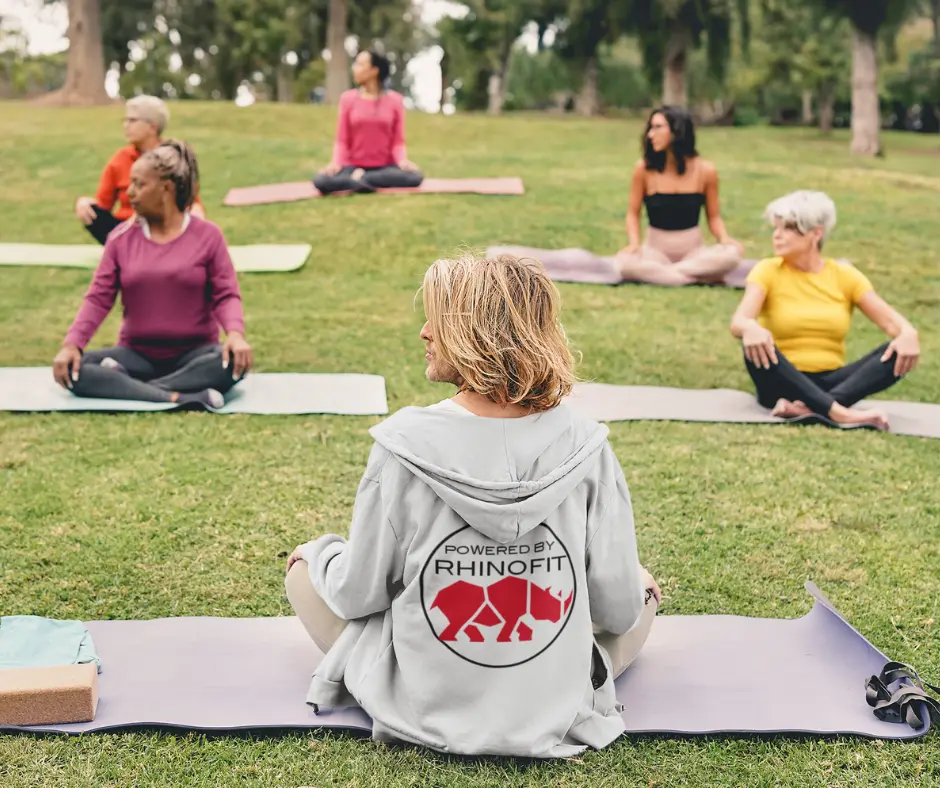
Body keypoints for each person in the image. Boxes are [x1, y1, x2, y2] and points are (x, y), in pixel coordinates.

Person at [284, 253, 662, 757]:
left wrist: (322, 554)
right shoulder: (587, 444)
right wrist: (635, 585)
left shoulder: (401, 445)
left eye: (437, 319)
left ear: (475, 333)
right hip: (552, 704)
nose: (423, 332)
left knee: (302, 569)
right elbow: (617, 612)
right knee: (641, 589)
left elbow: (357, 596)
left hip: (424, 703)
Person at [53, 140, 252, 408]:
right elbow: (98, 298)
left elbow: (226, 294)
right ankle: (184, 396)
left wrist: (236, 335)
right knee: (78, 370)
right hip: (135, 355)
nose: (130, 193)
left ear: (165, 189)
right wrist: (72, 345)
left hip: (196, 355)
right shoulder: (120, 239)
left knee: (228, 363)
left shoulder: (208, 236)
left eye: (139, 184)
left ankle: (131, 388)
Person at [730, 191, 920, 430]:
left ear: (816, 233)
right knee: (754, 343)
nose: (777, 236)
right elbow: (739, 320)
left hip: (830, 382)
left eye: (788, 228)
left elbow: (893, 324)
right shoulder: (767, 270)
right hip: (780, 379)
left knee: (894, 351)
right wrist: (750, 327)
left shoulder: (844, 276)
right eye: (775, 228)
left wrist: (908, 334)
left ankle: (810, 408)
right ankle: (840, 413)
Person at [616, 105, 744, 286]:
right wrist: (635, 244)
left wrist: (724, 239)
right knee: (625, 264)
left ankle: (669, 277)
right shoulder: (644, 169)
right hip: (655, 253)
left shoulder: (706, 171)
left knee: (733, 255)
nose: (650, 135)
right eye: (650, 128)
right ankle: (696, 276)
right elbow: (632, 214)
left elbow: (714, 217)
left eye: (658, 127)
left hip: (694, 252)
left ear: (677, 131)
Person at [74, 95, 205, 245]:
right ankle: (125, 248)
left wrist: (196, 211)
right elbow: (103, 204)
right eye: (125, 120)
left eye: (132, 120)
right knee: (88, 209)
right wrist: (84, 204)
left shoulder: (174, 157)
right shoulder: (119, 159)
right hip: (127, 230)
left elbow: (192, 202)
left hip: (165, 228)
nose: (125, 126)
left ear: (152, 127)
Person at [313, 51, 424, 195]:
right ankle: (363, 182)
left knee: (415, 177)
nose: (354, 68)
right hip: (351, 167)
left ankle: (361, 180)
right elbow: (342, 139)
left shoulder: (395, 101)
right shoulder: (348, 99)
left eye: (359, 64)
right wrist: (336, 163)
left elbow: (397, 140)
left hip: (384, 168)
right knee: (321, 181)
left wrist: (402, 161)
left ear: (374, 71)